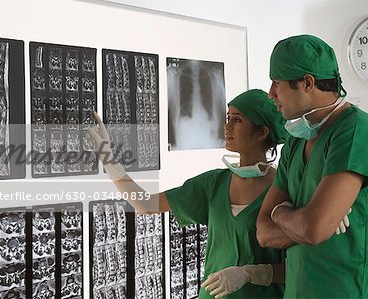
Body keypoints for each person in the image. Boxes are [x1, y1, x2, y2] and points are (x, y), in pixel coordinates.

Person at [88, 89, 288, 298]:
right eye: (228, 118)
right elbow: (145, 205)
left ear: (262, 132)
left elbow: (303, 263)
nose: (226, 127)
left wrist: (253, 274)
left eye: (237, 120)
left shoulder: (283, 189)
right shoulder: (213, 184)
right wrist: (108, 159)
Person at [256, 34, 368, 298]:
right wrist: (307, 223)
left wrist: (281, 214)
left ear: (307, 83)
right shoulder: (296, 141)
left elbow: (314, 228)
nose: (270, 94)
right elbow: (263, 232)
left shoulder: (356, 132)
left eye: (276, 83)